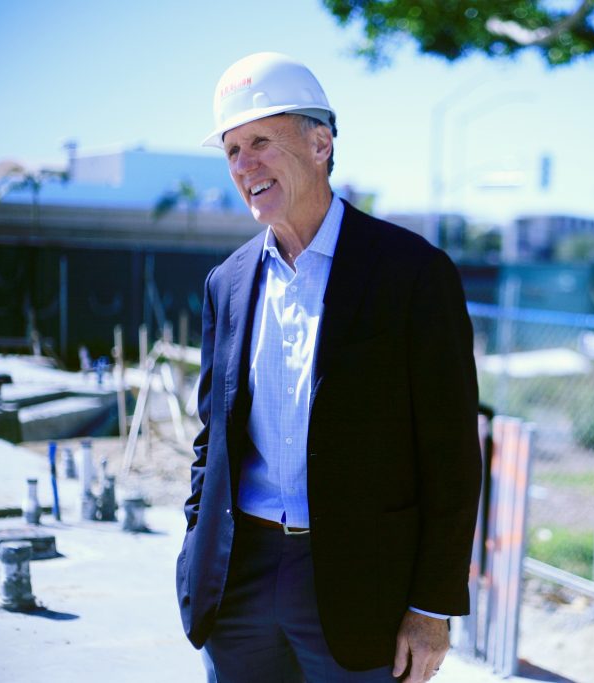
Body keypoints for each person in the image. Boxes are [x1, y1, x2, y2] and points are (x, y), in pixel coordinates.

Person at [176, 52, 482, 683]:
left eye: (260, 141)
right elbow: (213, 441)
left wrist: (431, 608)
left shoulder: (413, 275)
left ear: (321, 143)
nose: (243, 165)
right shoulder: (226, 283)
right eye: (232, 150)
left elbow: (451, 456)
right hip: (240, 587)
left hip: (361, 589)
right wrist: (195, 556)